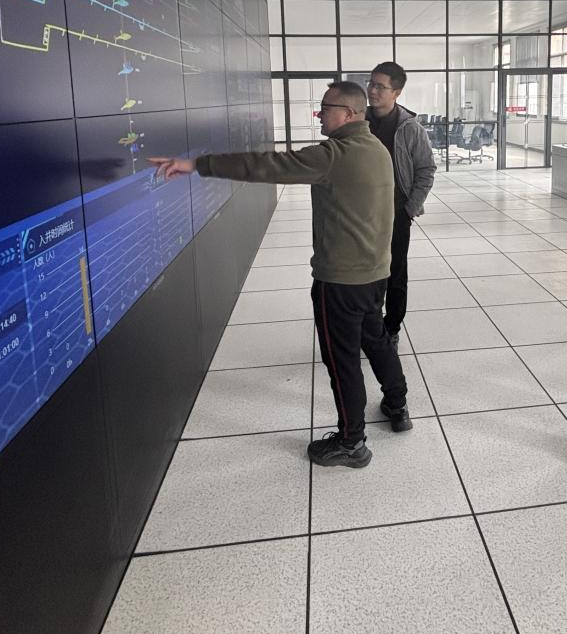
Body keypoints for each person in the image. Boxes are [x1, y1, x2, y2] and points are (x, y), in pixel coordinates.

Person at [149, 81, 412, 469]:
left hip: (340, 282)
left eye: (326, 108)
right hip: (374, 275)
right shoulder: (376, 148)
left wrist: (197, 165)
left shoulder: (334, 154)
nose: (319, 114)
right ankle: (397, 404)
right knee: (376, 341)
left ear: (349, 114)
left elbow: (266, 165)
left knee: (342, 361)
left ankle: (352, 442)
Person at [366, 61, 436, 350]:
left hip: (396, 214)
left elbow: (426, 170)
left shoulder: (410, 129)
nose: (372, 91)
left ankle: (391, 328)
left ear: (396, 92)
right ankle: (368, 326)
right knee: (364, 275)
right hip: (360, 214)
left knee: (395, 274)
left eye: (380, 86)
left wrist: (409, 208)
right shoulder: (358, 121)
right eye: (371, 84)